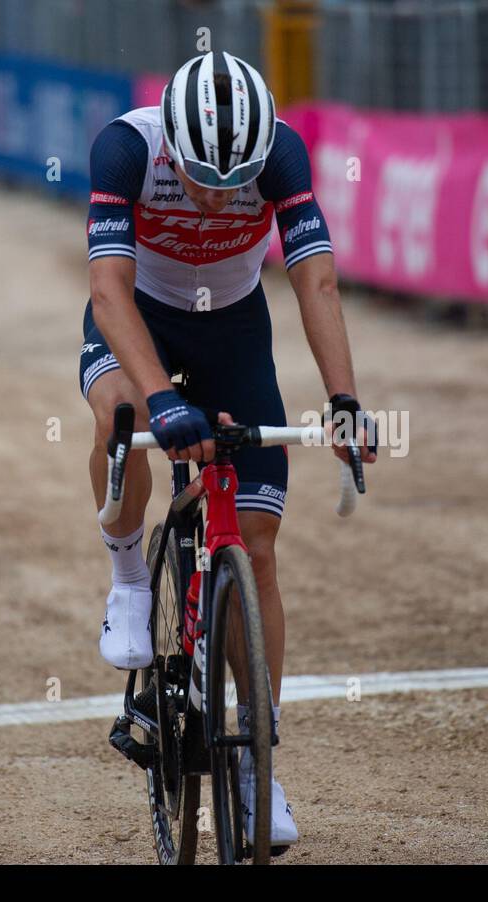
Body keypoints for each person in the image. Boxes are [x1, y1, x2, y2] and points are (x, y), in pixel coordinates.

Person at [79, 51, 376, 850]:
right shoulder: (125, 147)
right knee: (120, 416)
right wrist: (163, 400)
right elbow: (107, 292)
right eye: (204, 179)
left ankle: (257, 764)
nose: (217, 197)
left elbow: (316, 283)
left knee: (259, 546)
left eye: (232, 180)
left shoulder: (280, 152)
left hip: (234, 329)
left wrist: (344, 399)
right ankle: (131, 579)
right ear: (173, 143)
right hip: (141, 315)